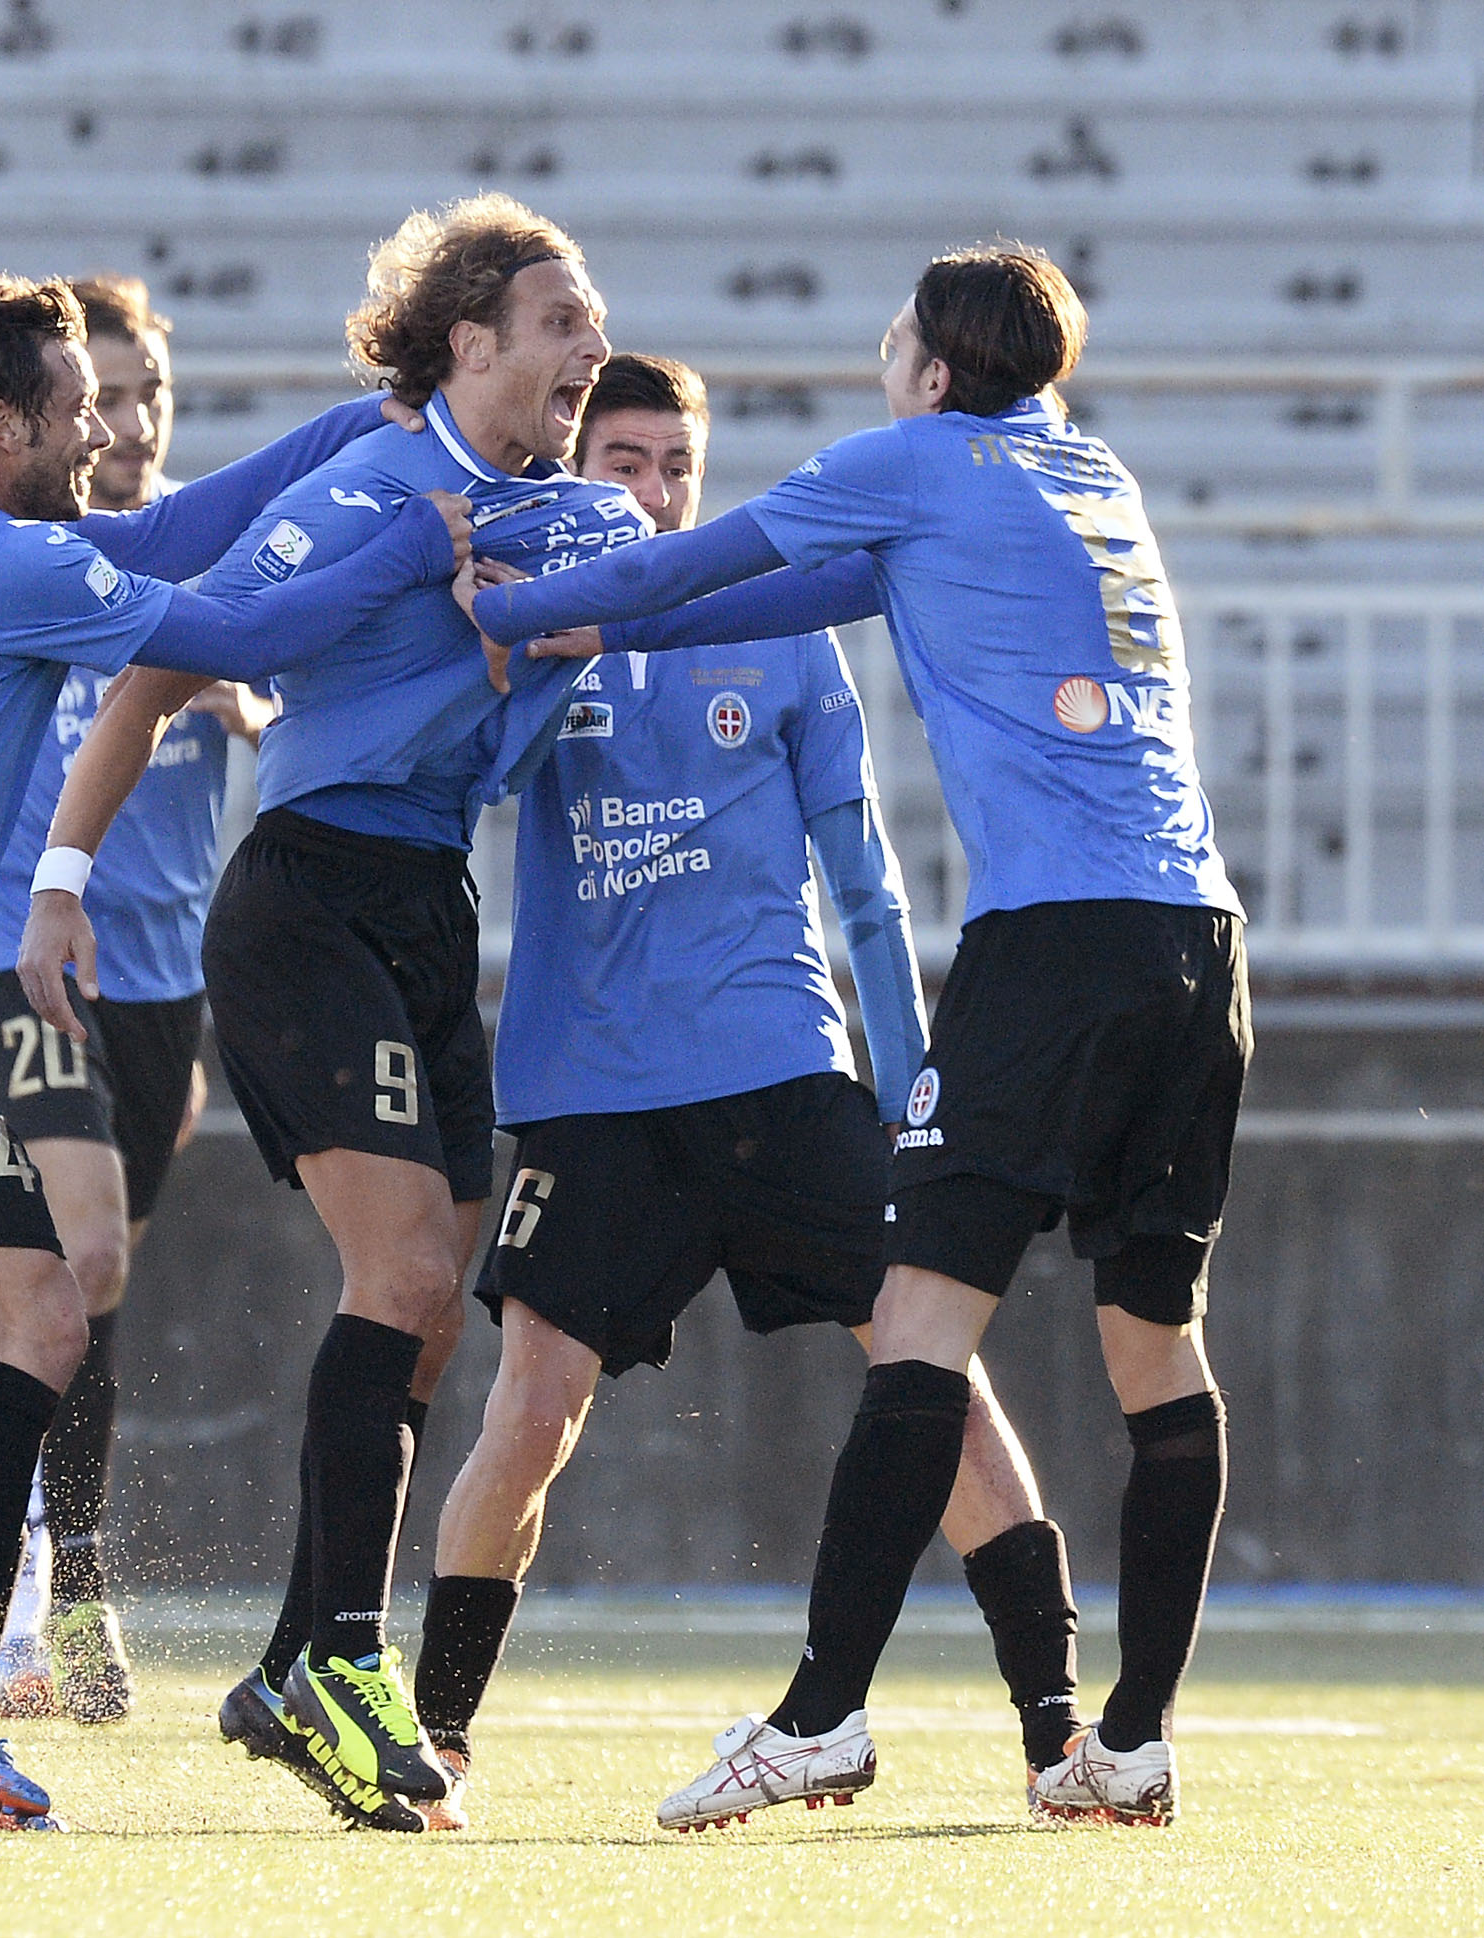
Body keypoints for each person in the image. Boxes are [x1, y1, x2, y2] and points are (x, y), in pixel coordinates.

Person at [461, 244, 1248, 1830]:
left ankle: (818, 1715)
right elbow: (777, 597)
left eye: (893, 335)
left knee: (911, 1326)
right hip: (1198, 944)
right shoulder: (1089, 472)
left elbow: (693, 562)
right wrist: (590, 641)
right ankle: (1129, 1735)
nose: (880, 355)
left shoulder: (907, 460)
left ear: (933, 371)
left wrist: (510, 602)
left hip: (1055, 948)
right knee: (1154, 1345)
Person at [0, 270, 466, 1829]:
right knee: (45, 1313)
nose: (100, 427)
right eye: (71, 408)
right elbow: (233, 622)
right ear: (2, 426)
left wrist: (352, 430)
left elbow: (147, 540)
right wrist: (415, 531)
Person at [15, 193, 651, 1832]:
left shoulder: (565, 513)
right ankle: (352, 1657)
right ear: (468, 342)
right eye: (563, 323)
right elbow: (172, 654)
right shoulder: (372, 477)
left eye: (591, 325)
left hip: (431, 906)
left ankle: (289, 1657)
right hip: (305, 900)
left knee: (436, 1309)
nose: (592, 350)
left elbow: (642, 597)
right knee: (412, 1272)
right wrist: (62, 872)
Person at [412, 353, 1080, 1834]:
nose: (651, 492)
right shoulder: (539, 628)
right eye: (623, 462)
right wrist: (560, 637)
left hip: (782, 1067)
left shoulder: (777, 635)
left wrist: (908, 1061)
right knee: (531, 1409)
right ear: (579, 469)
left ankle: (1055, 1731)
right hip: (591, 1090)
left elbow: (860, 868)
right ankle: (436, 1736)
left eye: (673, 467)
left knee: (931, 1375)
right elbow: (474, 777)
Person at [0, 275, 273, 1724]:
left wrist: (242, 691)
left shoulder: (210, 568)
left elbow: (289, 682)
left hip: (162, 987)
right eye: (110, 397)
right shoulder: (30, 554)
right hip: (23, 957)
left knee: (93, 1292)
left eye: (153, 396)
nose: (133, 424)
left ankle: (50, 1584)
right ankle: (21, 1602)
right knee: (73, 1259)